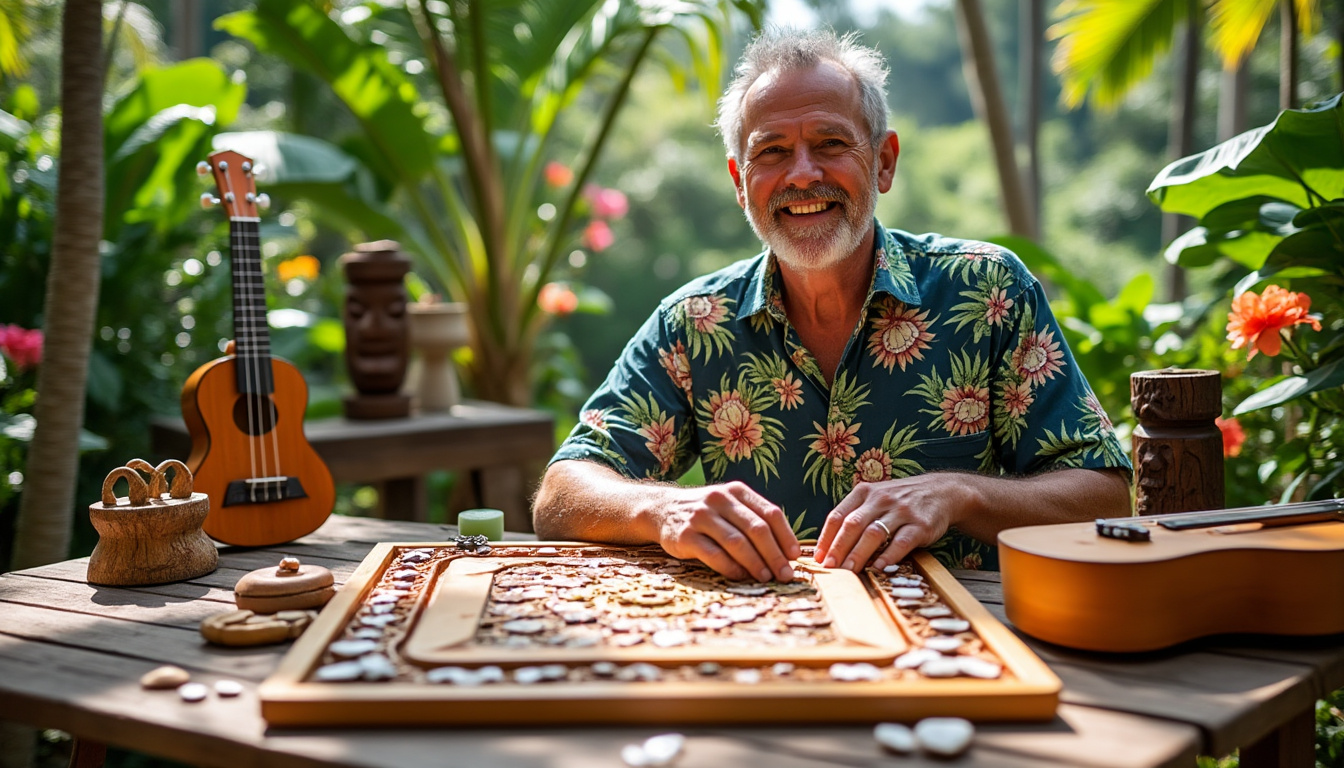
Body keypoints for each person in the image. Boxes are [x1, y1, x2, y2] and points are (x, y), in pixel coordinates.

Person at [533, 28, 1131, 582]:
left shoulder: (987, 291)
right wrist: (663, 508)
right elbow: (562, 492)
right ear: (740, 182)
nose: (802, 174)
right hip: (760, 639)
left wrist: (958, 494)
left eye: (831, 143)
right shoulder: (693, 324)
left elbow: (1104, 495)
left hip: (966, 637)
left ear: (884, 161)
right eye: (772, 151)